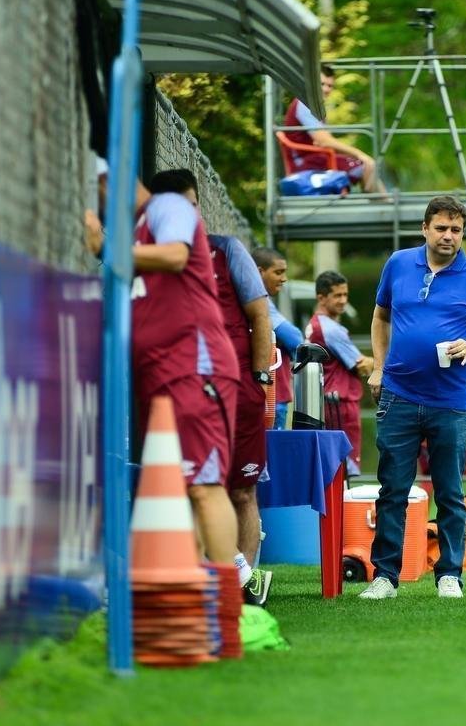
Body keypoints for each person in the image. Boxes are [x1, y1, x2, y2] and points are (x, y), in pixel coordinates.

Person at [82, 171, 240, 582]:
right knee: (183, 490)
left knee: (204, 484)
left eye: (98, 185)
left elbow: (175, 255)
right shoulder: (135, 232)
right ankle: (195, 593)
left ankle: (229, 605)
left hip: (195, 367)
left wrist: (108, 250)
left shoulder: (166, 206)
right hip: (161, 376)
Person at [359, 195, 466, 600]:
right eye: (441, 228)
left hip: (450, 402)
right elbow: (381, 316)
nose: (449, 236)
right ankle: (385, 576)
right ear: (424, 229)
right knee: (392, 489)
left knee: (450, 491)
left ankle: (449, 575)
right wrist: (379, 368)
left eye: (456, 230)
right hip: (398, 396)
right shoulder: (399, 264)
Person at [148, 169, 275, 607]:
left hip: (236, 388)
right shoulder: (152, 251)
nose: (188, 215)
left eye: (192, 205)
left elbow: (261, 317)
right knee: (195, 487)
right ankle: (218, 582)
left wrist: (263, 383)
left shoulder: (226, 250)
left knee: (238, 488)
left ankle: (245, 583)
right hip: (179, 388)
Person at [306, 271, 374, 476]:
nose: (343, 301)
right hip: (340, 405)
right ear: (321, 297)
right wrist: (384, 360)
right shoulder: (330, 330)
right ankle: (342, 508)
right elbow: (362, 366)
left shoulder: (315, 324)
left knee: (332, 467)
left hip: (328, 402)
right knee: (344, 470)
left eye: (345, 295)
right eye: (337, 295)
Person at [284, 64, 388, 194]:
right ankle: (383, 206)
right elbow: (324, 141)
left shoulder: (315, 107)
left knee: (361, 165)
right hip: (305, 164)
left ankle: (382, 204)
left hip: (315, 158)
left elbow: (321, 141)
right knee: (362, 165)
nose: (326, 89)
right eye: (321, 84)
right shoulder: (305, 105)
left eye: (329, 86)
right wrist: (361, 155)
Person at [251, 246, 301, 429]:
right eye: (278, 272)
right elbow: (295, 339)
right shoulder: (260, 302)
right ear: (259, 272)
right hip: (272, 395)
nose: (284, 279)